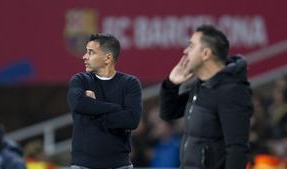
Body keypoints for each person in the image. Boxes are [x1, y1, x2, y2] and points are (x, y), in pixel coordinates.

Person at [159, 25, 253, 169]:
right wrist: (171, 84)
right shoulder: (201, 86)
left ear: (206, 53)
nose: (185, 51)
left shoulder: (231, 91)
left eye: (191, 46)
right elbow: (168, 113)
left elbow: (237, 149)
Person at [67, 33, 142, 169]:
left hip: (119, 165)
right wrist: (116, 108)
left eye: (91, 52)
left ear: (107, 58)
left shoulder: (130, 83)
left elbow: (131, 120)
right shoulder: (80, 80)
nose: (84, 57)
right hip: (83, 165)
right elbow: (78, 104)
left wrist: (93, 108)